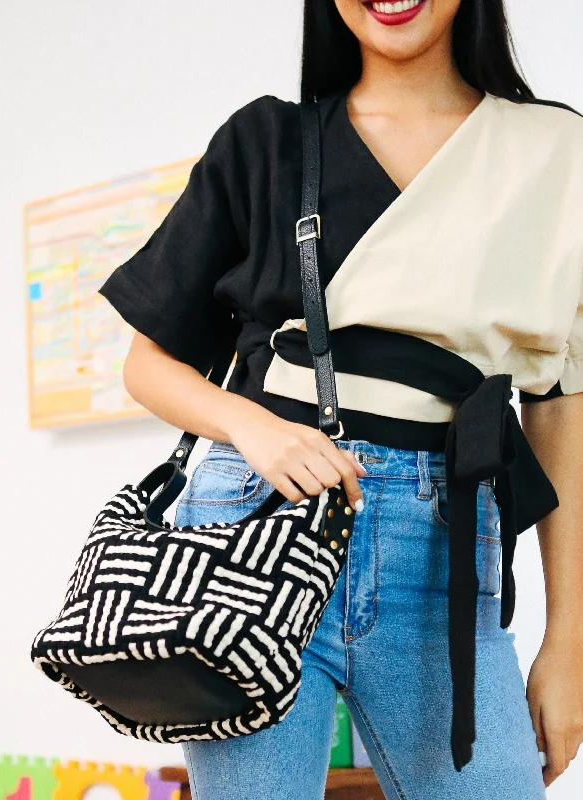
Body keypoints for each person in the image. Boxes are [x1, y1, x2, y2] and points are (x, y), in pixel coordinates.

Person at [97, 1, 583, 797]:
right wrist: (253, 428)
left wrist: (570, 639)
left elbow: (562, 396)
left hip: (446, 548)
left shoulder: (559, 156)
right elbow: (146, 366)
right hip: (251, 535)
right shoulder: (266, 142)